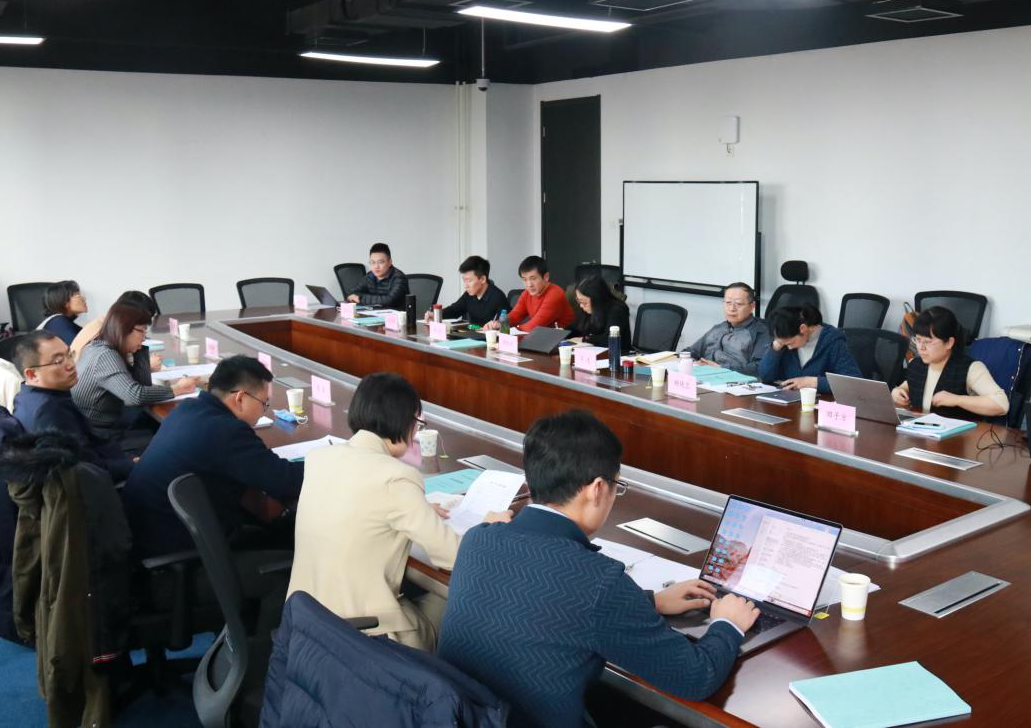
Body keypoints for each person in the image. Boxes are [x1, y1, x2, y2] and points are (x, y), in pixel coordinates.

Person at [439, 409, 758, 728]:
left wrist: (649, 602)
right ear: (597, 489)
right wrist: (727, 624)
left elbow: (546, 600)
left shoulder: (478, 539)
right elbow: (694, 677)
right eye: (617, 486)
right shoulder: (598, 580)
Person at [288, 373, 510, 650]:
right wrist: (488, 527)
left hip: (306, 621)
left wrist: (417, 508)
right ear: (404, 421)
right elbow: (453, 556)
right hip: (363, 634)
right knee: (456, 602)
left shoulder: (320, 458)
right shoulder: (397, 476)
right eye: (417, 423)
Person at [122, 355, 304, 559]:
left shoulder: (188, 408)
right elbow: (285, 480)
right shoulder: (227, 431)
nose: (263, 411)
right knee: (294, 545)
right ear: (240, 398)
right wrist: (325, 462)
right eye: (264, 403)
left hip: (148, 536)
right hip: (182, 551)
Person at [10, 331, 134, 480]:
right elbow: (87, 471)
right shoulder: (51, 410)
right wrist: (132, 465)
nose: (71, 365)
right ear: (32, 375)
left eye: (69, 355)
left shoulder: (25, 396)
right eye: (58, 361)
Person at [72, 301, 196, 443]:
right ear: (124, 328)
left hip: (103, 427)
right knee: (176, 438)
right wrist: (178, 388)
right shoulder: (104, 355)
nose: (144, 337)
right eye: (141, 331)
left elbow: (141, 384)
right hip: (97, 436)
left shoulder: (102, 347)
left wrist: (139, 350)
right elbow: (135, 396)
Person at [891, 306, 1008, 416]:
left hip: (959, 431)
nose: (921, 347)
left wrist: (957, 400)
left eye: (927, 342)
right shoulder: (916, 364)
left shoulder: (970, 368)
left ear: (949, 343)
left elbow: (1001, 404)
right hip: (919, 428)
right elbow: (909, 385)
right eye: (917, 340)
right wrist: (897, 391)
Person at [758, 304, 860, 390]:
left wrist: (812, 382)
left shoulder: (833, 342)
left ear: (803, 328)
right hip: (788, 401)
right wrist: (776, 346)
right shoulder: (785, 339)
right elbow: (766, 376)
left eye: (790, 343)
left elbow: (852, 383)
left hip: (821, 403)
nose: (789, 348)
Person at [684, 282, 771, 376]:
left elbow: (759, 367)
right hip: (704, 377)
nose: (732, 308)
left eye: (738, 304)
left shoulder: (761, 332)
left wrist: (722, 369)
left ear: (752, 306)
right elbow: (690, 352)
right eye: (728, 302)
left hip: (735, 381)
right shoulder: (718, 328)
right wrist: (691, 362)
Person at [484, 256, 574, 333]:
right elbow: (515, 315)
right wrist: (498, 324)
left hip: (566, 338)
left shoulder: (555, 294)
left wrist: (508, 329)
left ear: (546, 277)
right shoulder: (527, 293)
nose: (529, 284)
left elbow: (535, 326)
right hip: (542, 336)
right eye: (525, 279)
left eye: (533, 278)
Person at [71, 290, 158, 361]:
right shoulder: (103, 334)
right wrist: (148, 366)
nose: (144, 328)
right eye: (142, 325)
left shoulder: (108, 322)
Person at [424, 255, 508, 325]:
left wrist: (496, 325)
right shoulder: (469, 294)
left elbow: (506, 324)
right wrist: (435, 315)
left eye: (469, 280)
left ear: (482, 279)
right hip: (472, 337)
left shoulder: (498, 297)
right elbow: (454, 310)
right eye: (464, 280)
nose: (466, 285)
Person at [567, 274, 631, 348]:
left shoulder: (617, 310)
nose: (581, 305)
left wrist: (585, 339)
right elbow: (577, 328)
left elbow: (608, 340)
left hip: (617, 352)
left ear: (597, 299)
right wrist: (561, 333)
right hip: (592, 350)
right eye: (579, 301)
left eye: (584, 302)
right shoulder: (588, 309)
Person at [347, 242, 410, 309]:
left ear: (390, 262)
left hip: (396, 315)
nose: (376, 266)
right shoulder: (370, 276)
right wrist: (360, 297)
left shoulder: (399, 278)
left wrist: (360, 298)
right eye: (373, 262)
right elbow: (352, 294)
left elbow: (389, 300)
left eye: (380, 262)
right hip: (374, 313)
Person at [36, 280, 88, 346]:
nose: (84, 298)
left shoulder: (60, 321)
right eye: (77, 294)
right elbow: (82, 348)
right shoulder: (57, 322)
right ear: (65, 301)